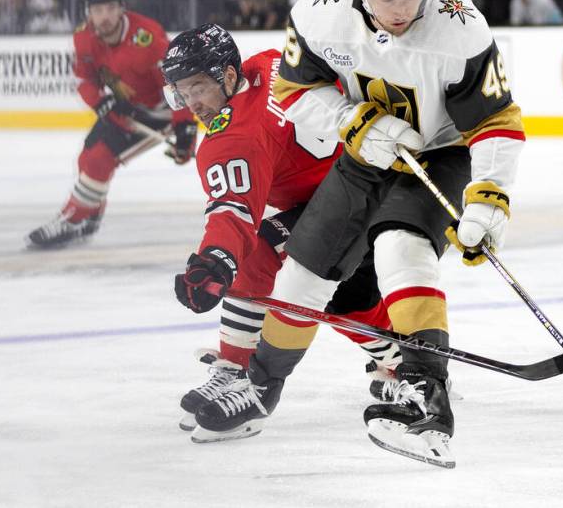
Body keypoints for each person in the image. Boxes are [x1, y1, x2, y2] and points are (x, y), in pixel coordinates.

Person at [191, 0, 525, 468]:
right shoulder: (319, 14)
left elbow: (497, 119)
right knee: (303, 267)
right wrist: (354, 122)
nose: (400, 8)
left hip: (440, 151)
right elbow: (294, 91)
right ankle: (260, 387)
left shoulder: (460, 25)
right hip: (363, 152)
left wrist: (488, 200)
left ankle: (425, 395)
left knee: (399, 246)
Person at [160, 24, 402, 434]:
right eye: (183, 91)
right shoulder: (266, 63)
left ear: (228, 77)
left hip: (361, 193)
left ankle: (401, 360)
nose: (192, 103)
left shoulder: (235, 137)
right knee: (267, 252)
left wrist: (214, 260)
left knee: (335, 289)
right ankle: (236, 366)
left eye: (198, 87)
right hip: (355, 180)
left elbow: (232, 211)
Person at [26, 0, 197, 248]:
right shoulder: (84, 38)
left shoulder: (148, 37)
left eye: (109, 8)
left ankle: (72, 219)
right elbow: (84, 80)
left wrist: (185, 127)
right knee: (87, 159)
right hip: (121, 108)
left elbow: (176, 82)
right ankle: (89, 218)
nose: (103, 16)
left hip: (158, 114)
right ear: (88, 13)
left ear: (121, 10)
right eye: (97, 10)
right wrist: (99, 101)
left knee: (99, 160)